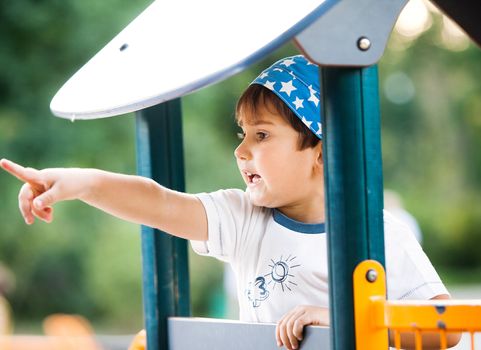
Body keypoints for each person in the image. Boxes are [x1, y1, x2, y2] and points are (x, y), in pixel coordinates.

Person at [0, 55, 459, 349]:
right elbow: (159, 203)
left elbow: (447, 326)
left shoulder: (377, 231)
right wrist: (81, 183)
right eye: (243, 135)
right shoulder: (245, 219)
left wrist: (346, 317)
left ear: (321, 149)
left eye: (261, 136)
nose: (241, 151)